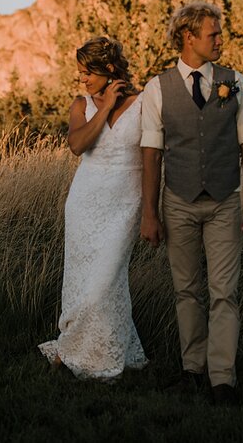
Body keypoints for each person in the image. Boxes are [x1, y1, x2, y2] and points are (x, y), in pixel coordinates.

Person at [139, 1, 243, 405]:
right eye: (213, 33)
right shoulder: (157, 88)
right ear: (188, 37)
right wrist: (149, 213)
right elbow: (151, 154)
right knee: (187, 291)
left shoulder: (235, 82)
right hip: (177, 201)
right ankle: (192, 371)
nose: (220, 40)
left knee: (224, 292)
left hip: (226, 201)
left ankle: (222, 379)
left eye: (220, 32)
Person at [38, 36, 148, 380]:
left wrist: (151, 208)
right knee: (84, 282)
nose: (82, 79)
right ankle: (92, 350)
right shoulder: (80, 104)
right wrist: (102, 108)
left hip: (126, 203)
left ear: (110, 69)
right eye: (80, 72)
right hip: (84, 202)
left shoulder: (144, 103)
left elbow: (153, 156)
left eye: (88, 72)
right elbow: (77, 145)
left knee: (106, 281)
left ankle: (81, 349)